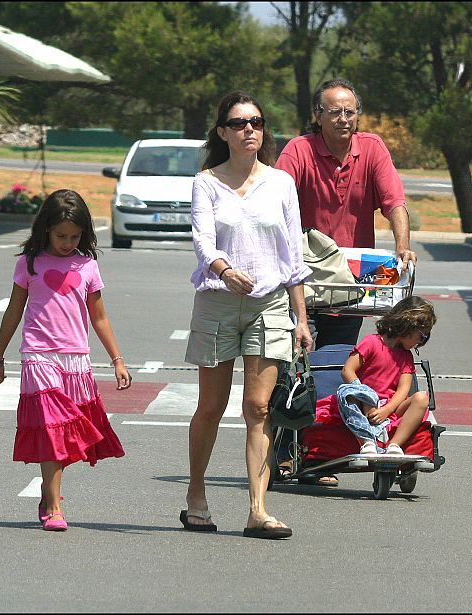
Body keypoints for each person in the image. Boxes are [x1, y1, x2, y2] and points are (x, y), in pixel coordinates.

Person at [182, 91, 313, 540]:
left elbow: (293, 253)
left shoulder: (280, 183)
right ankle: (196, 495)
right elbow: (203, 240)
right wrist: (223, 268)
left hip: (270, 303)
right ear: (222, 132)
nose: (249, 130)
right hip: (218, 300)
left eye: (256, 122)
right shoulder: (206, 182)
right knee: (212, 407)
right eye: (239, 123)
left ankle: (258, 509)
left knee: (258, 407)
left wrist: (301, 317)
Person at [0, 189, 131, 532]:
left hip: (75, 359)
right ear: (45, 230)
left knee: (65, 432)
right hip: (37, 355)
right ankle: (54, 506)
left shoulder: (87, 266)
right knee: (53, 427)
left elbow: (99, 317)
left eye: (75, 236)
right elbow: (14, 311)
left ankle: (47, 490)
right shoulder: (29, 263)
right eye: (60, 236)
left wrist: (117, 359)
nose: (68, 243)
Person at [276, 78, 418, 350]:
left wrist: (403, 247)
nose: (343, 119)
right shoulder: (298, 149)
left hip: (352, 279)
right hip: (304, 276)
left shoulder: (372, 147)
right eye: (334, 112)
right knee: (297, 356)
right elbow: (275, 202)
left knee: (336, 358)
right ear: (318, 116)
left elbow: (394, 202)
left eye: (349, 112)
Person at [333, 295, 436, 455]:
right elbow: (348, 370)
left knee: (422, 397)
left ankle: (394, 445)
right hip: (364, 403)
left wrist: (386, 410)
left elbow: (403, 390)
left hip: (390, 406)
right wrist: (365, 396)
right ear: (408, 327)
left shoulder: (406, 356)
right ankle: (367, 441)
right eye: (423, 336)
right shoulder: (371, 343)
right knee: (347, 392)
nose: (422, 342)